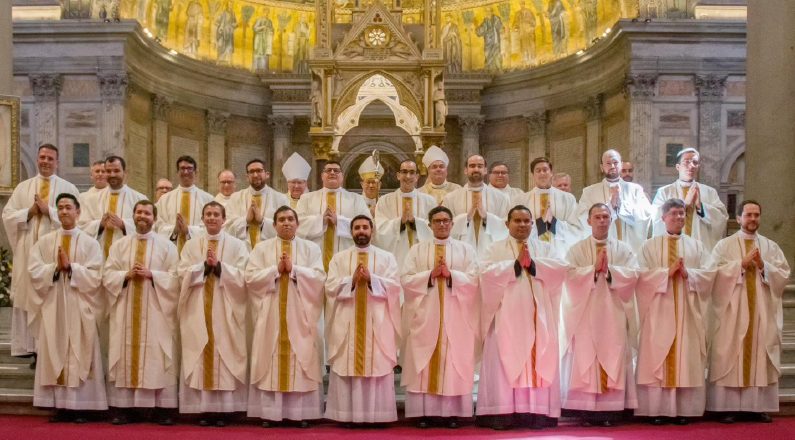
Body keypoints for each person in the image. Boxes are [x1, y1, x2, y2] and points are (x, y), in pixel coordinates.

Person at [477, 205, 567, 430]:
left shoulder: (545, 248)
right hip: (505, 317)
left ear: (532, 224)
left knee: (537, 360)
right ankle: (503, 413)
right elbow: (485, 274)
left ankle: (536, 412)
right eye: (517, 221)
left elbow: (560, 269)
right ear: (507, 224)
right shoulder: (495, 249)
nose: (522, 225)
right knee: (503, 360)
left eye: (527, 221)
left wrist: (534, 265)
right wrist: (515, 266)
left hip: (538, 317)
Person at [708, 200, 791, 423]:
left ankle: (757, 407)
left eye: (756, 215)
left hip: (761, 310)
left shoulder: (770, 246)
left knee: (760, 354)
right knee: (731, 354)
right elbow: (712, 274)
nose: (753, 219)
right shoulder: (724, 246)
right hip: (733, 311)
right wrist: (740, 265)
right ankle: (728, 408)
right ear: (738, 218)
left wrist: (764, 266)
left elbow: (783, 274)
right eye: (748, 215)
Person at [635, 198, 716, 425]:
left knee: (685, 357)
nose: (679, 217)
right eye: (674, 214)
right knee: (658, 356)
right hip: (658, 310)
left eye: (682, 213)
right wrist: (666, 274)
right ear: (663, 218)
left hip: (687, 311)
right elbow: (639, 276)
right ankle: (657, 410)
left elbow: (710, 274)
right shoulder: (649, 246)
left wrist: (689, 274)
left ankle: (683, 410)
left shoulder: (696, 246)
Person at [28, 193, 107, 422]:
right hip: (54, 306)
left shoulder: (90, 243)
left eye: (68, 207)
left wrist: (71, 268)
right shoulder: (45, 242)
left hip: (79, 305)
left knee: (80, 351)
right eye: (60, 207)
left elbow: (96, 276)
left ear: (78, 212)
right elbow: (34, 271)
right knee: (55, 350)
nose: (64, 211)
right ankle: (60, 406)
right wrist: (55, 268)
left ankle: (81, 407)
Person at [245, 206, 325, 427]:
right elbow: (250, 278)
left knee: (301, 357)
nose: (286, 223)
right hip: (270, 313)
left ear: (298, 224)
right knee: (269, 357)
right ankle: (270, 413)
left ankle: (300, 414)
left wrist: (294, 269)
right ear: (274, 225)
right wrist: (275, 270)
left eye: (290, 219)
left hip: (300, 315)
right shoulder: (261, 248)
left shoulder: (311, 249)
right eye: (281, 219)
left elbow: (319, 278)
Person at [401, 206, 480, 428]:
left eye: (446, 220)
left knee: (453, 361)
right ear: (429, 225)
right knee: (423, 360)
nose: (442, 224)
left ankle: (452, 414)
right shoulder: (417, 250)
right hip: (425, 315)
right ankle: (423, 413)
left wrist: (451, 275)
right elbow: (405, 279)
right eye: (437, 221)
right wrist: (430, 275)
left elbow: (475, 279)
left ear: (453, 224)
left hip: (456, 315)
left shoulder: (466, 250)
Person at [103, 200, 180, 425]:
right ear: (133, 216)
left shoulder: (167, 247)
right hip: (126, 309)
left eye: (147, 213)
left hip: (156, 310)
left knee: (157, 355)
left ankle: (162, 409)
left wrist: (152, 275)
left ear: (154, 218)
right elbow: (107, 274)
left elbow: (176, 278)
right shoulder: (120, 245)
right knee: (125, 353)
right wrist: (124, 275)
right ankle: (124, 408)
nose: (142, 216)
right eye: (139, 212)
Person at [561, 203, 638, 427]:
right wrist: (592, 270)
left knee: (613, 353)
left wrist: (611, 272)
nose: (602, 221)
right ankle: (585, 411)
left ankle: (610, 411)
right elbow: (568, 276)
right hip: (585, 312)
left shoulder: (623, 249)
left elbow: (634, 275)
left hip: (614, 312)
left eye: (606, 217)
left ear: (611, 220)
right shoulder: (577, 250)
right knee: (586, 355)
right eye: (597, 217)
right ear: (589, 221)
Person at [2, 144, 80, 359]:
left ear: (57, 162)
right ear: (37, 159)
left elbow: (77, 219)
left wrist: (49, 211)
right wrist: (29, 212)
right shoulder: (23, 188)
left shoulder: (68, 188)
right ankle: (27, 347)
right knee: (27, 295)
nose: (45, 161)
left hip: (54, 253)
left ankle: (48, 349)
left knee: (50, 299)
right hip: (27, 251)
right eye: (42, 157)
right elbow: (7, 215)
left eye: (50, 158)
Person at [177, 201, 249, 426]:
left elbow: (245, 276)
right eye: (208, 214)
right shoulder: (191, 246)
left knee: (225, 352)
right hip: (198, 307)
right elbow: (180, 273)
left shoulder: (237, 246)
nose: (211, 218)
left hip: (226, 309)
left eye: (216, 214)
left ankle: (226, 410)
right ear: (202, 218)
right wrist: (203, 267)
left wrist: (218, 267)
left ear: (224, 219)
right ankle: (203, 409)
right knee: (200, 350)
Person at [324, 215, 401, 425]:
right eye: (357, 227)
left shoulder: (387, 258)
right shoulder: (339, 258)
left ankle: (378, 416)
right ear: (351, 232)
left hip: (377, 322)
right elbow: (330, 287)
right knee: (347, 364)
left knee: (376, 365)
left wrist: (371, 280)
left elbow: (395, 287)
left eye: (365, 227)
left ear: (372, 231)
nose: (361, 231)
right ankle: (346, 415)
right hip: (347, 321)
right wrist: (351, 280)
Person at [296, 161, 370, 272]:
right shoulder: (306, 199)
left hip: (346, 257)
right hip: (314, 258)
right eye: (328, 170)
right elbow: (296, 225)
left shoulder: (356, 199)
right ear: (322, 176)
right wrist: (320, 221)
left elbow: (368, 226)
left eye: (336, 171)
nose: (332, 173)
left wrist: (339, 221)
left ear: (342, 177)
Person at [651, 148, 728, 250]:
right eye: (686, 162)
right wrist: (684, 204)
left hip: (701, 248)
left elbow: (722, 218)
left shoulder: (709, 192)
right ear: (678, 167)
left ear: (698, 167)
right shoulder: (664, 192)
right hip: (673, 247)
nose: (691, 166)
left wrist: (701, 207)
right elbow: (656, 218)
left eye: (695, 163)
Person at [577, 149, 653, 253]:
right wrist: (610, 206)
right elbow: (582, 218)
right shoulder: (589, 192)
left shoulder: (635, 190)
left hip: (630, 250)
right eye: (608, 163)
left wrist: (621, 206)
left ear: (621, 165)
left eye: (615, 162)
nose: (612, 166)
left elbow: (645, 214)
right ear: (602, 167)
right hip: (602, 249)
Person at [79, 156, 147, 258]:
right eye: (108, 171)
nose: (112, 174)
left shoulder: (139, 199)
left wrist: (123, 224)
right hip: (99, 256)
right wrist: (100, 224)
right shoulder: (91, 200)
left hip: (127, 256)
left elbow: (149, 228)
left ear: (125, 172)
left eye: (116, 171)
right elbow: (81, 227)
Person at [374, 159, 436, 266]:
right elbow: (379, 229)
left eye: (412, 172)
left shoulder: (429, 201)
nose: (408, 176)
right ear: (398, 175)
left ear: (417, 177)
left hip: (422, 256)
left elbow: (435, 228)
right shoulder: (384, 201)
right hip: (395, 257)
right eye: (404, 172)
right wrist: (400, 222)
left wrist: (415, 222)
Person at [442, 155, 509, 253]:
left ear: (485, 170)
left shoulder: (501, 198)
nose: (476, 169)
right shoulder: (450, 198)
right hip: (460, 251)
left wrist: (486, 217)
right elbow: (444, 225)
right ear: (466, 170)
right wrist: (466, 218)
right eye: (472, 166)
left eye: (480, 166)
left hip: (491, 251)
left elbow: (506, 226)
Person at [515, 158, 581, 249]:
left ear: (551, 173)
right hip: (532, 248)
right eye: (538, 171)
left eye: (545, 170)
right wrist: (540, 224)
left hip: (560, 248)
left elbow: (576, 228)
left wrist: (554, 223)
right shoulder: (522, 200)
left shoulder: (568, 198)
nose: (542, 173)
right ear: (533, 175)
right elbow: (514, 227)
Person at [155, 155, 214, 254]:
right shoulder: (164, 200)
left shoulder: (208, 199)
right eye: (182, 168)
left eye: (189, 168)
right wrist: (174, 230)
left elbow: (211, 227)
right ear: (177, 172)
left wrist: (188, 230)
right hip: (171, 251)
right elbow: (158, 227)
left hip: (198, 251)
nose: (186, 172)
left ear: (196, 172)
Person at [225, 159, 289, 249]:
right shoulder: (235, 198)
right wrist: (246, 220)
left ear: (267, 174)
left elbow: (286, 228)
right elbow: (226, 227)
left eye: (259, 171)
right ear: (247, 177)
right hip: (242, 250)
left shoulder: (281, 199)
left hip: (269, 250)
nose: (255, 175)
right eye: (251, 172)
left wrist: (262, 221)